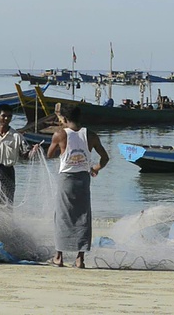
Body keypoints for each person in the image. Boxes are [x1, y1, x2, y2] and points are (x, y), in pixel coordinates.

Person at [46, 104, 109, 269]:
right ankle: (79, 258)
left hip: (66, 180)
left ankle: (58, 256)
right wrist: (95, 168)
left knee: (62, 216)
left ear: (64, 119)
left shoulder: (60, 135)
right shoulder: (91, 135)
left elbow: (50, 154)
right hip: (83, 179)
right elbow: (105, 157)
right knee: (83, 216)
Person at [0, 104, 38, 205]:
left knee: (7, 202)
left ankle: (5, 221)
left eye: (9, 116)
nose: (6, 119)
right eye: (3, 116)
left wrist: (34, 151)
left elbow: (26, 156)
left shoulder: (16, 136)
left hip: (8, 172)